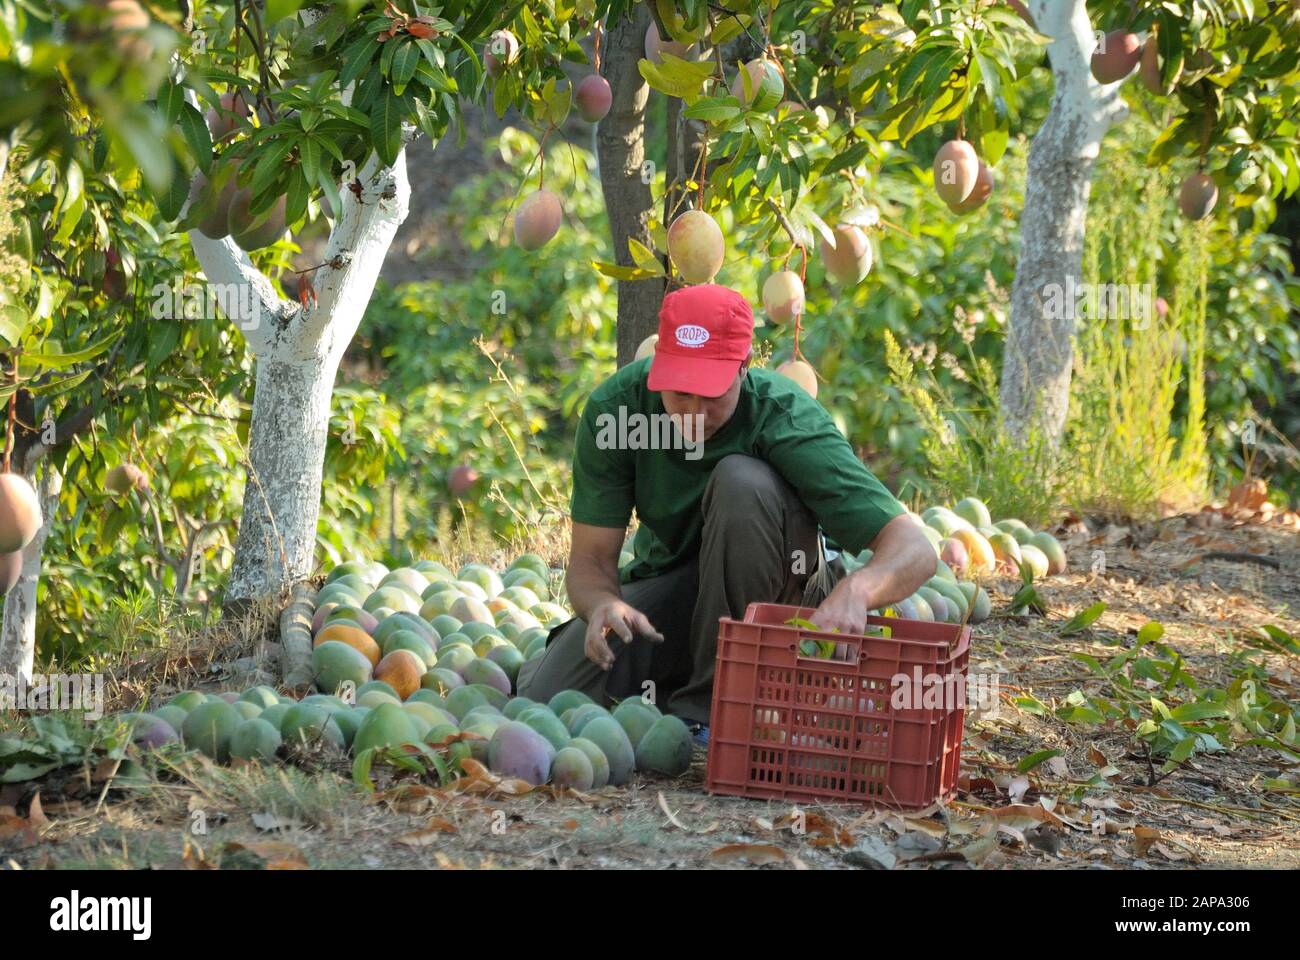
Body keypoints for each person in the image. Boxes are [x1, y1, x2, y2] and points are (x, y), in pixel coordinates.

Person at [516, 283, 936, 743]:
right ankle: (691, 679)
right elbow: (591, 561)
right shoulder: (617, 411)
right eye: (680, 394)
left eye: (711, 394)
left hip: (784, 596)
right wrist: (602, 604)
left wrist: (858, 590)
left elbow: (914, 548)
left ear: (744, 368)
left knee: (742, 482)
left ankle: (712, 707)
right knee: (549, 694)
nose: (694, 413)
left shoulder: (783, 415)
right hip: (683, 588)